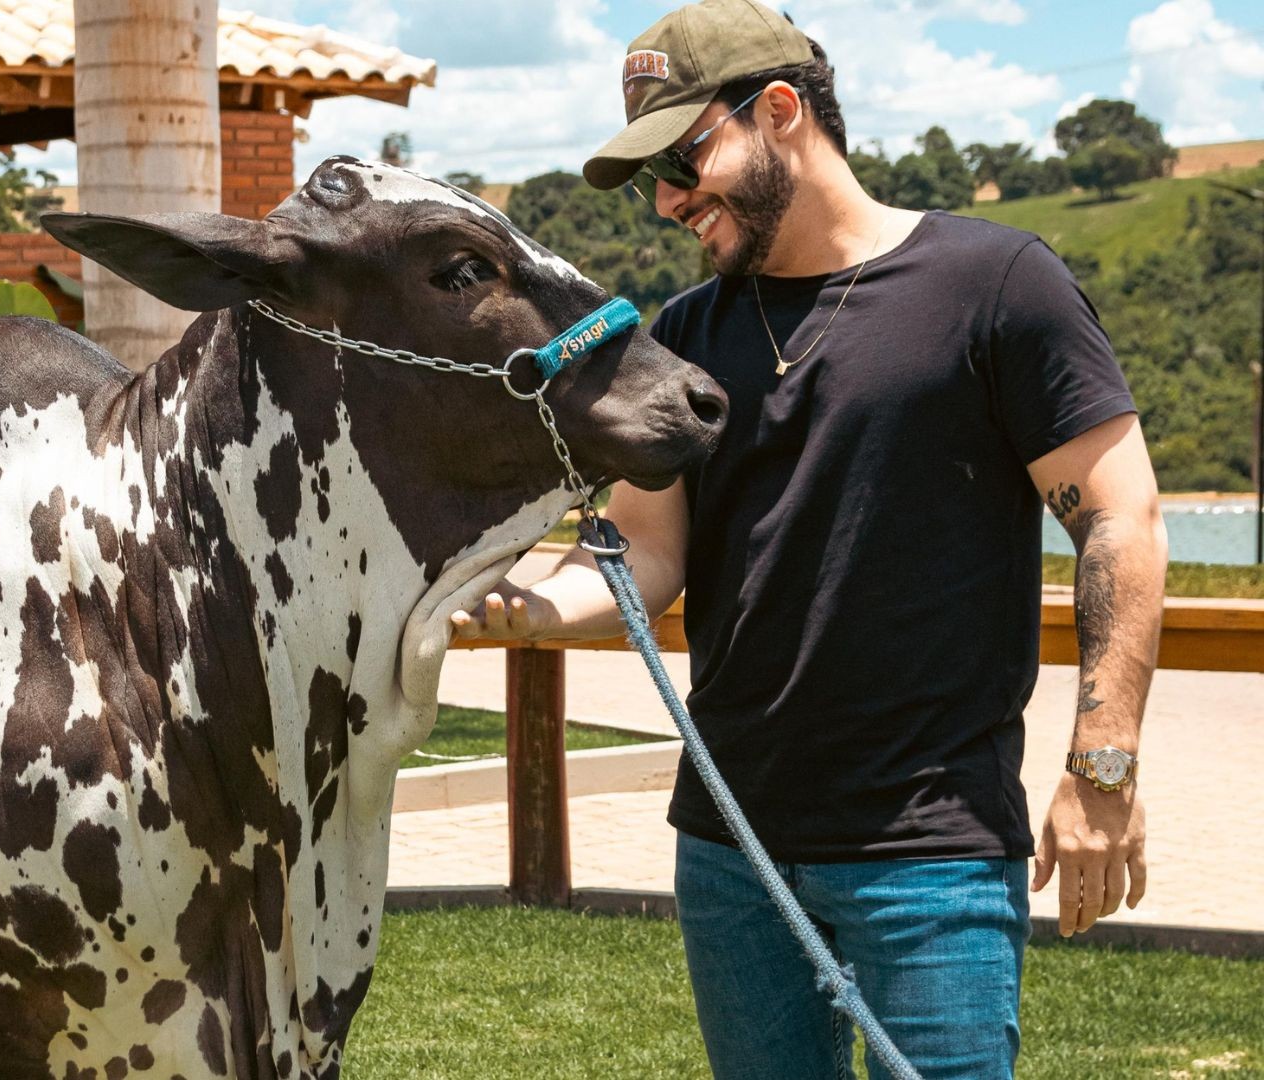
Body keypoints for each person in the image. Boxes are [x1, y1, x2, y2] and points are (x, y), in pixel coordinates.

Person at [451, 1, 1168, 1076]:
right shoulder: (687, 337)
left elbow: (1119, 515)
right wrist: (521, 606)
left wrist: (1102, 768)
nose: (667, 200)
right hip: (733, 854)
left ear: (779, 110)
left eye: (684, 157)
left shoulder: (998, 287)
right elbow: (649, 556)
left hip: (932, 857)